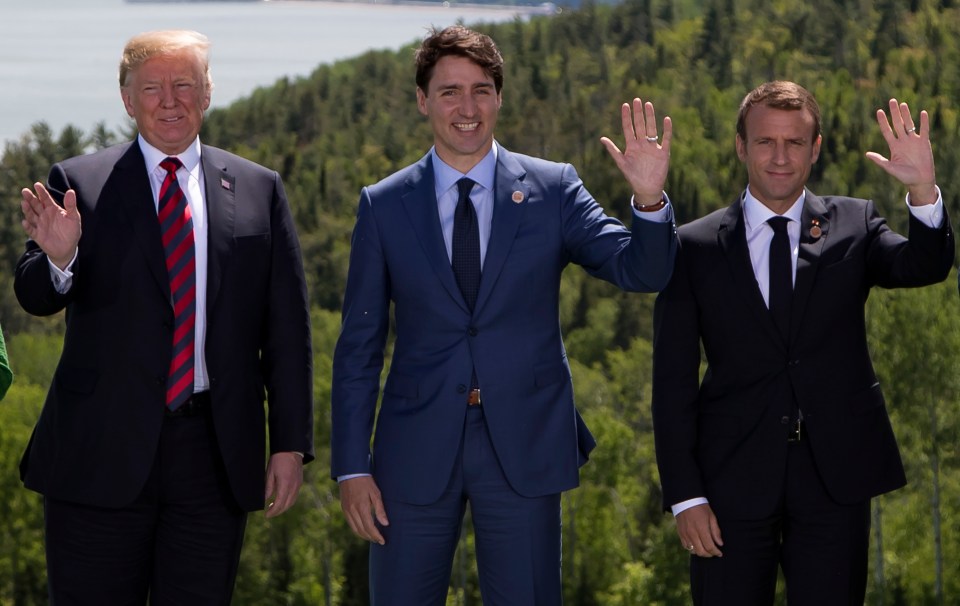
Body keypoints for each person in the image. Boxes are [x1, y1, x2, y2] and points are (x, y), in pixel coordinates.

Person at [331, 24, 677, 605]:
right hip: (411, 454)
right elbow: (359, 347)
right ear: (422, 100)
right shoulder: (384, 204)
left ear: (499, 97)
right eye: (449, 92)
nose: (467, 108)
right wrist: (350, 467)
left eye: (482, 89)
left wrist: (647, 200)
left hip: (525, 445)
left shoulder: (553, 187)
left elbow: (641, 272)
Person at [15, 30, 314, 604]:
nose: (169, 100)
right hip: (97, 457)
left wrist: (289, 443)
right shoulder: (79, 183)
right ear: (128, 100)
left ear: (207, 93)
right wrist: (60, 258)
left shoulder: (258, 189)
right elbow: (35, 295)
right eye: (152, 87)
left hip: (214, 457)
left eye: (184, 85)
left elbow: (287, 330)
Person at [652, 80, 955, 605]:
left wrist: (923, 192)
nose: (779, 156)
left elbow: (924, 267)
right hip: (729, 485)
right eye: (765, 141)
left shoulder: (854, 224)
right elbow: (672, 383)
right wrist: (686, 496)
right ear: (742, 146)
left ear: (815, 149)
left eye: (794, 142)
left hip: (835, 478)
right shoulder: (693, 247)